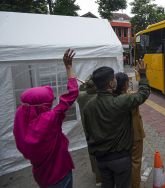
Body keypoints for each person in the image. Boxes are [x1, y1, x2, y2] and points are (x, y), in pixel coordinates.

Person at [13, 49, 78, 188]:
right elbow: (73, 94)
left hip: (42, 177)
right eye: (49, 101)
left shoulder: (22, 123)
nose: (52, 102)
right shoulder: (49, 119)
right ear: (41, 105)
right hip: (60, 174)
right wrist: (68, 68)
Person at [82, 60, 150, 188]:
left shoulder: (88, 107)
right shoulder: (120, 102)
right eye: (114, 78)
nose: (115, 80)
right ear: (110, 83)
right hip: (120, 159)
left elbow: (88, 132)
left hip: (101, 159)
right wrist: (143, 75)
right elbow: (143, 93)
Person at [114, 72, 145, 188]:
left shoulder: (111, 98)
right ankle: (135, 185)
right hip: (135, 135)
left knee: (124, 161)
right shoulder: (130, 98)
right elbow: (144, 92)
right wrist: (143, 75)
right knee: (135, 162)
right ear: (126, 84)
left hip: (119, 136)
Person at [77, 75, 102, 187]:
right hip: (101, 130)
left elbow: (81, 89)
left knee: (92, 152)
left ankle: (97, 177)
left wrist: (84, 84)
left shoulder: (81, 97)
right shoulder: (99, 96)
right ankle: (104, 176)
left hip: (88, 130)